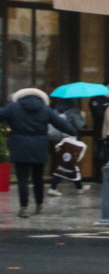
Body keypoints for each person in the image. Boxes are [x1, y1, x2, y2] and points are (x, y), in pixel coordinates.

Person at [0, 88, 76, 217]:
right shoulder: (45, 110)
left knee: (22, 179)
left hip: (20, 146)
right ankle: (39, 205)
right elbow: (60, 123)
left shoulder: (13, 108)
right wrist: (73, 132)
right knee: (38, 178)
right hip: (39, 147)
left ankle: (23, 208)